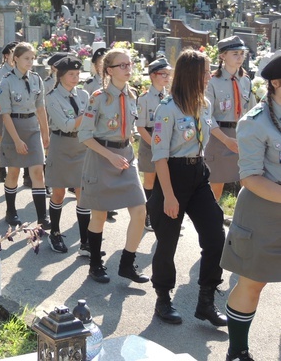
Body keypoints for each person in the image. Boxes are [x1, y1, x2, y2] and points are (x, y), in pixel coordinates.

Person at [149, 49, 227, 327]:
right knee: (167, 241)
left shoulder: (203, 104)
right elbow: (159, 155)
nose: (209, 76)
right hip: (173, 175)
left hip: (198, 173)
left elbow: (207, 133)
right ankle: (163, 298)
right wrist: (169, 195)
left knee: (216, 234)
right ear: (193, 74)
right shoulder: (167, 108)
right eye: (206, 71)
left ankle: (206, 300)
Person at [221, 53, 281, 361]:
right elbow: (251, 178)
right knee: (253, 284)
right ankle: (237, 350)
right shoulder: (255, 122)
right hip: (263, 215)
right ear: (276, 83)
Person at [77, 47, 148, 284]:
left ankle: (127, 264)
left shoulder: (132, 94)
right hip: (101, 158)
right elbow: (85, 136)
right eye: (123, 65)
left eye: (130, 64)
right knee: (99, 216)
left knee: (140, 211)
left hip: (126, 157)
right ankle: (95, 264)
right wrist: (109, 155)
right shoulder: (98, 97)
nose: (129, 69)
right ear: (110, 70)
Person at [0, 42, 49, 225]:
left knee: (37, 172)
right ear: (16, 58)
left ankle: (42, 217)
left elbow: (40, 107)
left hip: (32, 127)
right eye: (26, 58)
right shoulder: (7, 81)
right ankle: (11, 211)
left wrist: (45, 132)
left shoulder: (36, 79)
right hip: (14, 127)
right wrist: (17, 141)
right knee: (13, 172)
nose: (30, 62)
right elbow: (5, 114)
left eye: (32, 58)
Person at [44, 56, 89, 253]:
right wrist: (87, 116)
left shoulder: (84, 95)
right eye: (71, 74)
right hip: (61, 144)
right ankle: (54, 232)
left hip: (81, 146)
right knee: (59, 193)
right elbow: (66, 124)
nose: (75, 78)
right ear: (60, 75)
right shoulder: (52, 97)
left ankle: (86, 240)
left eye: (78, 74)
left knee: (82, 193)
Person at [205, 35, 252, 200]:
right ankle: (210, 221)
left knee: (247, 184)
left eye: (242, 53)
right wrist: (225, 140)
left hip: (241, 136)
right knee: (216, 185)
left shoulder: (245, 80)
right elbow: (207, 116)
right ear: (222, 56)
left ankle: (241, 221)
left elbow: (251, 111)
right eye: (235, 53)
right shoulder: (212, 82)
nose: (240, 57)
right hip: (218, 137)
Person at [136, 57, 172, 231]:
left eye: (168, 74)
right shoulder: (144, 98)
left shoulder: (170, 96)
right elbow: (141, 127)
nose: (166, 77)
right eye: (162, 74)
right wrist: (155, 145)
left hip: (168, 139)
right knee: (150, 180)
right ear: (152, 76)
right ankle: (148, 214)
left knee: (165, 179)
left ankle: (165, 215)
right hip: (149, 140)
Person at [0, 41, 18, 182]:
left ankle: (24, 174)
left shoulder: (24, 72)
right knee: (3, 141)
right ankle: (2, 169)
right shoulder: (1, 73)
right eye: (14, 52)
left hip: (19, 114)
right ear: (6, 56)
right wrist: (7, 112)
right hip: (3, 112)